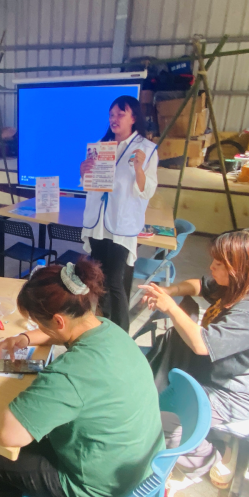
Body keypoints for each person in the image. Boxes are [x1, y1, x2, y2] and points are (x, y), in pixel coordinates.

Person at [0, 259, 164, 497]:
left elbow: (9, 435)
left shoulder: (71, 373)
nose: (38, 330)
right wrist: (26, 338)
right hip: (142, 468)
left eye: (38, 324)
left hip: (101, 495)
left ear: (58, 320)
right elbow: (58, 334)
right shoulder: (107, 328)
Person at [141, 229, 249, 488]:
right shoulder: (237, 285)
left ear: (240, 268)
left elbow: (201, 344)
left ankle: (206, 459)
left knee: (160, 424)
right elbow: (199, 284)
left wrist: (170, 306)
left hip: (234, 393)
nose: (212, 267)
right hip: (211, 373)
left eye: (219, 264)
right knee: (152, 394)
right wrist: (171, 290)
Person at [80, 95, 158, 332]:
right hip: (97, 222)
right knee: (97, 279)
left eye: (120, 114)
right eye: (111, 115)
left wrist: (139, 169)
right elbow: (89, 183)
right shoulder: (102, 145)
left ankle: (121, 334)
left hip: (121, 223)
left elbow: (147, 191)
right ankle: (103, 327)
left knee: (114, 281)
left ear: (133, 118)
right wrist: (83, 171)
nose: (114, 119)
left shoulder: (146, 149)